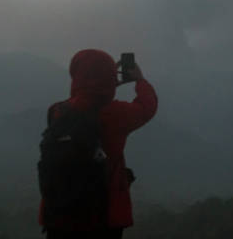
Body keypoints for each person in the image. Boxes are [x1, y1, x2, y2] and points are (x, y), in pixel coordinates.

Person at [39, 49, 158, 239]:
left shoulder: (56, 111)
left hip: (58, 216)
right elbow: (147, 107)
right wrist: (140, 80)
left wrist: (104, 87)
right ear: (110, 76)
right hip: (103, 217)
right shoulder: (116, 114)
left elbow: (84, 102)